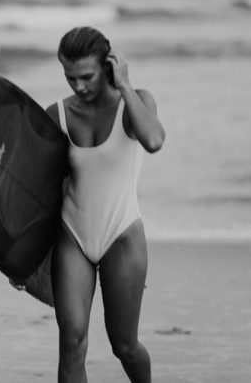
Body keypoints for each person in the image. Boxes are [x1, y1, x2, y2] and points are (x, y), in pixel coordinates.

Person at [45, 26, 165, 383]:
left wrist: (124, 85)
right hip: (72, 237)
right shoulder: (58, 114)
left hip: (122, 235)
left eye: (87, 76)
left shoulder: (136, 102)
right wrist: (20, 253)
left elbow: (154, 140)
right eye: (70, 77)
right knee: (72, 343)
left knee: (124, 346)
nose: (78, 86)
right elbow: (37, 187)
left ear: (108, 66)